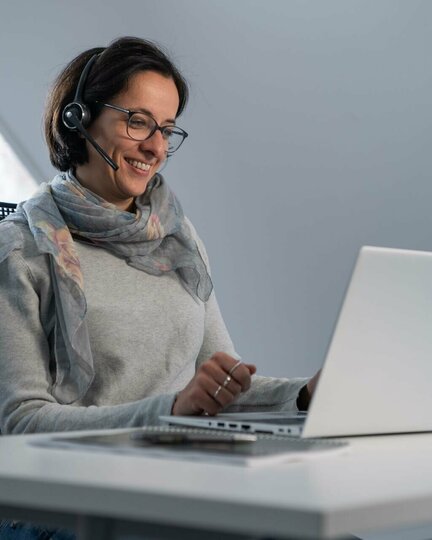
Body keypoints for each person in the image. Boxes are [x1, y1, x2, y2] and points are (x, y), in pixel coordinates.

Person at [0, 36, 320, 539]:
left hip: (171, 484)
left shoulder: (177, 239)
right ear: (78, 118)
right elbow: (19, 424)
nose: (156, 147)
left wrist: (304, 395)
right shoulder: (23, 248)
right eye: (138, 121)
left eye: (167, 129)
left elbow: (219, 387)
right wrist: (169, 413)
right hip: (64, 505)